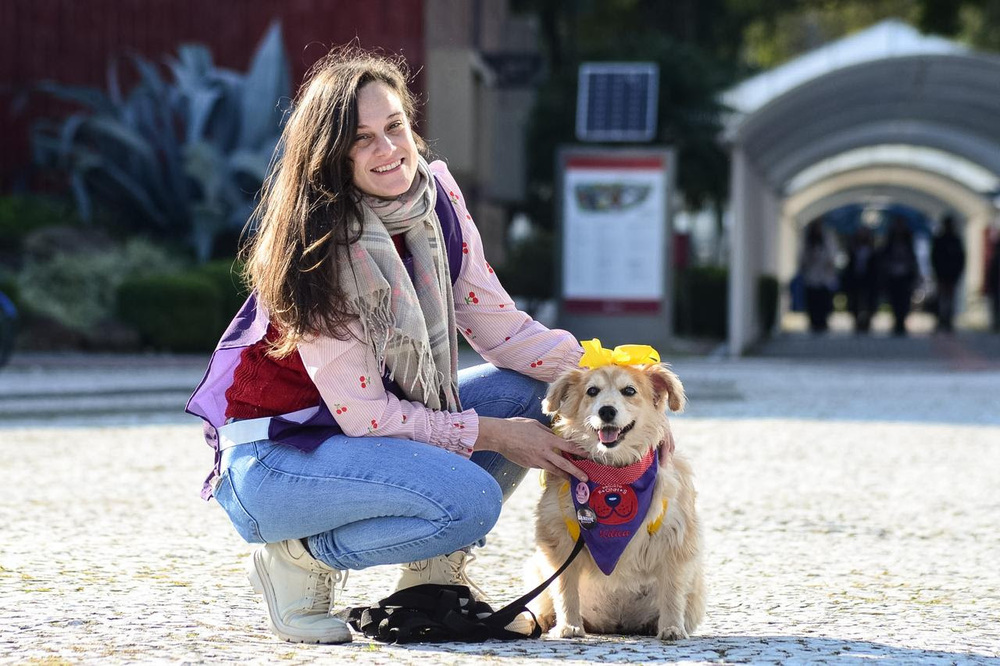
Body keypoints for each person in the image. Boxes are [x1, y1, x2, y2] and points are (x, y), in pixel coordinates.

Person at [186, 47, 591, 644]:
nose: (388, 150)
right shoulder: (320, 245)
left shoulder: (436, 205)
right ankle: (299, 558)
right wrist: (496, 436)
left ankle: (428, 580)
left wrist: (615, 374)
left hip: (359, 443)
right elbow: (368, 416)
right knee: (469, 502)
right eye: (362, 139)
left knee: (532, 392)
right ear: (330, 154)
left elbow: (503, 331)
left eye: (394, 127)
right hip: (280, 460)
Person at [879, 215, 919, 337]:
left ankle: (902, 321)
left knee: (904, 300)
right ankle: (897, 321)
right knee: (895, 300)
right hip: (893, 276)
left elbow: (913, 260)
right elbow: (884, 258)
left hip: (905, 276)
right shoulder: (889, 243)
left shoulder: (908, 242)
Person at [797, 220, 838, 334]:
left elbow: (832, 256)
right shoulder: (807, 243)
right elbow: (802, 259)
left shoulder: (827, 240)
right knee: (813, 302)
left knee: (824, 302)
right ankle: (814, 322)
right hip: (811, 278)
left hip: (824, 278)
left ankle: (822, 322)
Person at [930, 215, 966, 333]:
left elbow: (961, 258)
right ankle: (941, 320)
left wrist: (957, 272)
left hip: (951, 275)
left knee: (948, 299)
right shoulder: (941, 240)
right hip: (943, 275)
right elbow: (934, 258)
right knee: (942, 299)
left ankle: (947, 320)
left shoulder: (954, 240)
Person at [842, 226, 879, 334]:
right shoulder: (853, 249)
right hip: (855, 279)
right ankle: (857, 321)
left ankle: (867, 321)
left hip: (868, 280)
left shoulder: (872, 250)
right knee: (855, 301)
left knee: (868, 301)